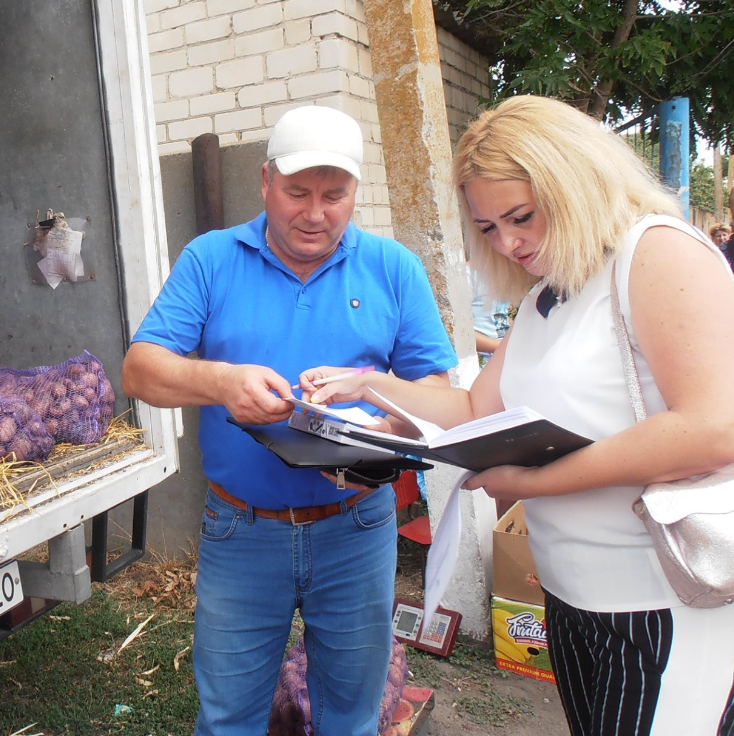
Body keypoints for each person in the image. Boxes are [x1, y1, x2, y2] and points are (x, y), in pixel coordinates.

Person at [300, 95, 734, 736]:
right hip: (572, 597)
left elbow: (714, 428)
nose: (509, 242)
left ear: (574, 181)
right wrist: (368, 385)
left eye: (521, 216)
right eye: (488, 228)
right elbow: (476, 409)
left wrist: (533, 485)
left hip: (662, 596)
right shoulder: (544, 297)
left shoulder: (657, 252)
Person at [120, 105, 457, 736]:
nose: (315, 213)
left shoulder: (392, 268)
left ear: (356, 192)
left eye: (335, 195)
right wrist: (221, 381)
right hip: (241, 528)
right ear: (265, 182)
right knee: (228, 718)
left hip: (357, 528)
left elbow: (437, 390)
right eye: (298, 192)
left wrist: (380, 427)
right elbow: (140, 369)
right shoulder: (211, 258)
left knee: (351, 718)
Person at [467, 261, 511, 364]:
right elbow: (458, 333)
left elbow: (499, 317)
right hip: (482, 364)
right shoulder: (468, 275)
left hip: (505, 358)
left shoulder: (500, 275)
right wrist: (506, 348)